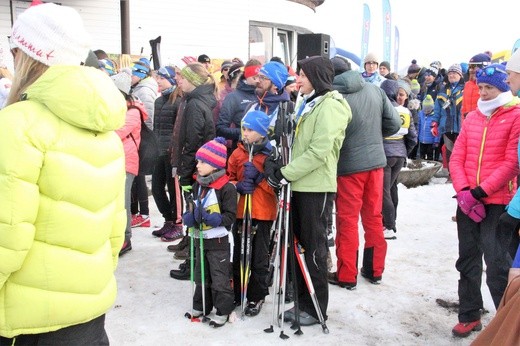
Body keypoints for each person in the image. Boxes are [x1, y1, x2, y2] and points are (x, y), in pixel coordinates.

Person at [0, 3, 127, 344]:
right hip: (87, 314)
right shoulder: (105, 129)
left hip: (27, 322)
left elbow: (6, 235)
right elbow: (116, 229)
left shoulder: (17, 125)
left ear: (24, 55)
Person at [265, 56, 352, 326]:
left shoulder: (331, 106)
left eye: (302, 75)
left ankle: (316, 308)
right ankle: (303, 300)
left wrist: (285, 173)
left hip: (315, 186)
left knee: (313, 248)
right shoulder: (308, 101)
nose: (297, 80)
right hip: (298, 184)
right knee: (297, 246)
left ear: (316, 77)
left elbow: (318, 152)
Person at [449, 63, 520, 338]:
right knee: (467, 260)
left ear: (503, 87)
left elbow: (512, 162)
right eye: (480, 87)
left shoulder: (515, 115)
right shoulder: (473, 116)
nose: (484, 92)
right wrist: (465, 190)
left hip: (497, 200)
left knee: (497, 265)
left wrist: (481, 191)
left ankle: (506, 321)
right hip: (468, 200)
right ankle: (469, 314)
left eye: (490, 87)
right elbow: (457, 156)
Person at [328, 56, 400, 290]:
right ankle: (374, 270)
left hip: (348, 167)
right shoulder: (374, 90)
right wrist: (373, 136)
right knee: (373, 217)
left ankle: (347, 275)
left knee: (347, 221)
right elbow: (394, 124)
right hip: (376, 163)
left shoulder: (333, 97)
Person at [169, 62, 218, 279]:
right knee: (194, 215)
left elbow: (193, 142)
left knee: (195, 216)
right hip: (196, 168)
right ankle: (193, 262)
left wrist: (186, 174)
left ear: (194, 82)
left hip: (197, 170)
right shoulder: (193, 100)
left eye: (184, 78)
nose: (179, 80)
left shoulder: (196, 104)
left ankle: (195, 266)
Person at [182, 137, 236, 327]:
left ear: (214, 165)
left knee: (219, 277)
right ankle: (201, 305)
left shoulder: (226, 188)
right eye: (198, 161)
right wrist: (189, 217)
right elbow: (192, 207)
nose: (197, 165)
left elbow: (231, 217)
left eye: (202, 161)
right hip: (200, 240)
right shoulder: (199, 185)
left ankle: (223, 310)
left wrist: (215, 219)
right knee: (200, 275)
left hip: (218, 242)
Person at [227, 110, 277, 316]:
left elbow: (276, 186)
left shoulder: (269, 155)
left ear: (262, 132)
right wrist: (236, 186)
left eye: (250, 130)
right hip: (241, 211)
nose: (245, 133)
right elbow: (228, 179)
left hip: (263, 213)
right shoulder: (237, 153)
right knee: (239, 253)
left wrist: (260, 179)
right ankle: (238, 291)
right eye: (244, 129)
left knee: (258, 257)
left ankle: (256, 296)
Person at [380, 80, 418, 240]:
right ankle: (392, 221)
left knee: (384, 191)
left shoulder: (382, 109)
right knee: (392, 188)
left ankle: (388, 226)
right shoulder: (405, 111)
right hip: (399, 153)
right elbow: (413, 137)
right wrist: (404, 153)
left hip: (384, 154)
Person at [111, 68, 143, 256]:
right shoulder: (119, 109)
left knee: (123, 202)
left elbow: (115, 132)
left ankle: (126, 237)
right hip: (115, 159)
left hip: (126, 161)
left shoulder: (133, 112)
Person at [151, 66, 185, 242]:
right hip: (159, 152)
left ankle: (178, 223)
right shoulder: (158, 101)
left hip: (172, 154)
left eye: (161, 78)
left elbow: (178, 130)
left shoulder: (178, 100)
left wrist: (175, 151)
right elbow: (156, 127)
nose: (158, 81)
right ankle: (168, 219)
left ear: (171, 80)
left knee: (174, 190)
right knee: (157, 188)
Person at [216, 59, 261, 155]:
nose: (258, 81)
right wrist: (244, 133)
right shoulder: (233, 97)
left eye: (260, 77)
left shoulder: (265, 94)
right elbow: (220, 128)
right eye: (254, 77)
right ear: (247, 77)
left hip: (263, 151)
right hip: (241, 150)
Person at [431, 63, 465, 174]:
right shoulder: (442, 91)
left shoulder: (465, 89)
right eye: (450, 73)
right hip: (446, 126)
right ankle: (451, 174)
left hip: (461, 126)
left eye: (454, 73)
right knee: (449, 151)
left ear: (460, 75)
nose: (451, 75)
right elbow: (437, 109)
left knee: (461, 151)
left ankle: (461, 173)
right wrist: (434, 123)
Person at [461, 53, 492, 119]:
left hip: (484, 125)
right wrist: (463, 124)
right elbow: (464, 109)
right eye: (469, 67)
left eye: (473, 66)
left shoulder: (490, 85)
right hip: (469, 124)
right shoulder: (467, 85)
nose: (470, 70)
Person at [417, 95, 440, 160]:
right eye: (425, 110)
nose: (426, 111)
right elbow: (418, 125)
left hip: (430, 141)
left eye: (428, 110)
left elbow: (436, 130)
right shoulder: (421, 114)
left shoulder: (434, 116)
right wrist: (416, 136)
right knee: (422, 156)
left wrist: (436, 141)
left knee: (430, 156)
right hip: (422, 140)